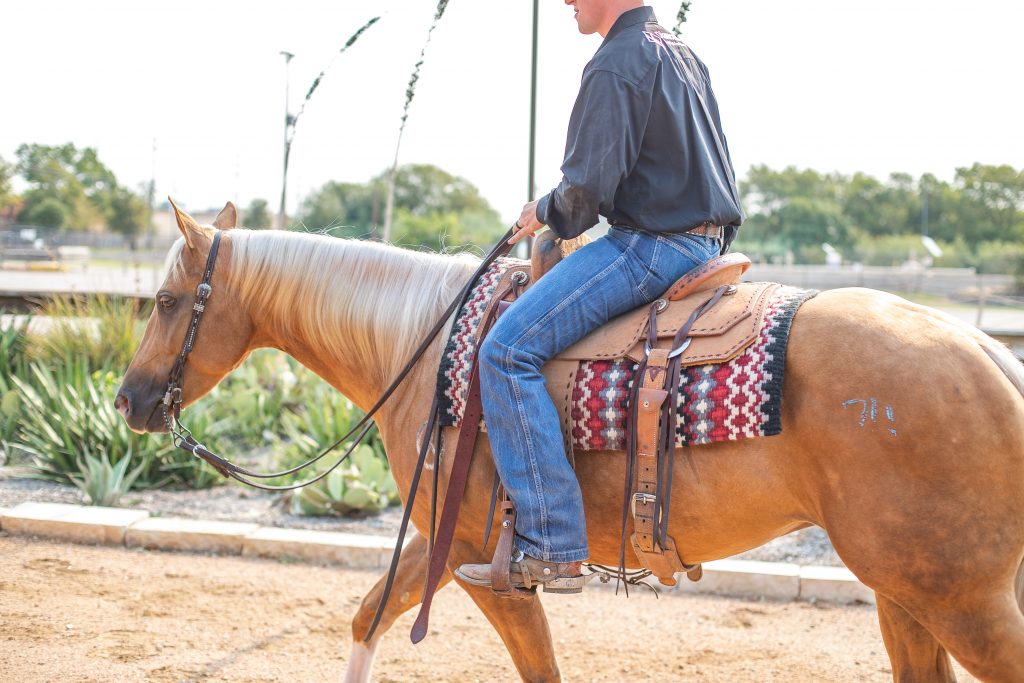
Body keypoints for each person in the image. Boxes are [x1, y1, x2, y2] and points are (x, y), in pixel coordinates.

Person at [455, 0, 744, 593]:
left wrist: (545, 212)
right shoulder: (682, 53)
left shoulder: (615, 61)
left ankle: (554, 543)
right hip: (706, 245)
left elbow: (586, 191)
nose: (565, 2)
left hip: (650, 246)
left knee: (505, 352)